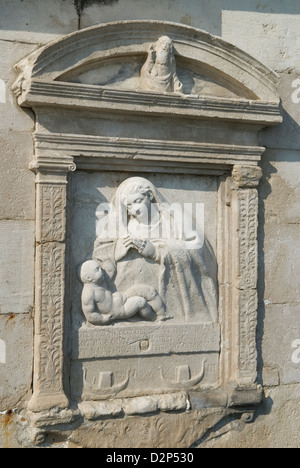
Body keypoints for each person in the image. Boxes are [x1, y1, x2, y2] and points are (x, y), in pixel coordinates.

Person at [93, 177, 218, 323]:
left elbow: (198, 247)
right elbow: (100, 256)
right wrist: (117, 253)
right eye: (129, 206)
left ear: (150, 196)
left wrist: (157, 252)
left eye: (138, 201)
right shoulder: (128, 229)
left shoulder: (173, 218)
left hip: (173, 296)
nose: (135, 209)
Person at [80, 259, 166, 325]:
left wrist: (108, 263)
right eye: (97, 269)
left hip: (122, 296)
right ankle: (153, 318)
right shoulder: (88, 294)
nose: (101, 270)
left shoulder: (99, 281)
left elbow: (110, 272)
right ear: (88, 278)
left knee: (146, 290)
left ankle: (162, 313)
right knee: (140, 302)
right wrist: (103, 319)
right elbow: (89, 315)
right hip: (121, 309)